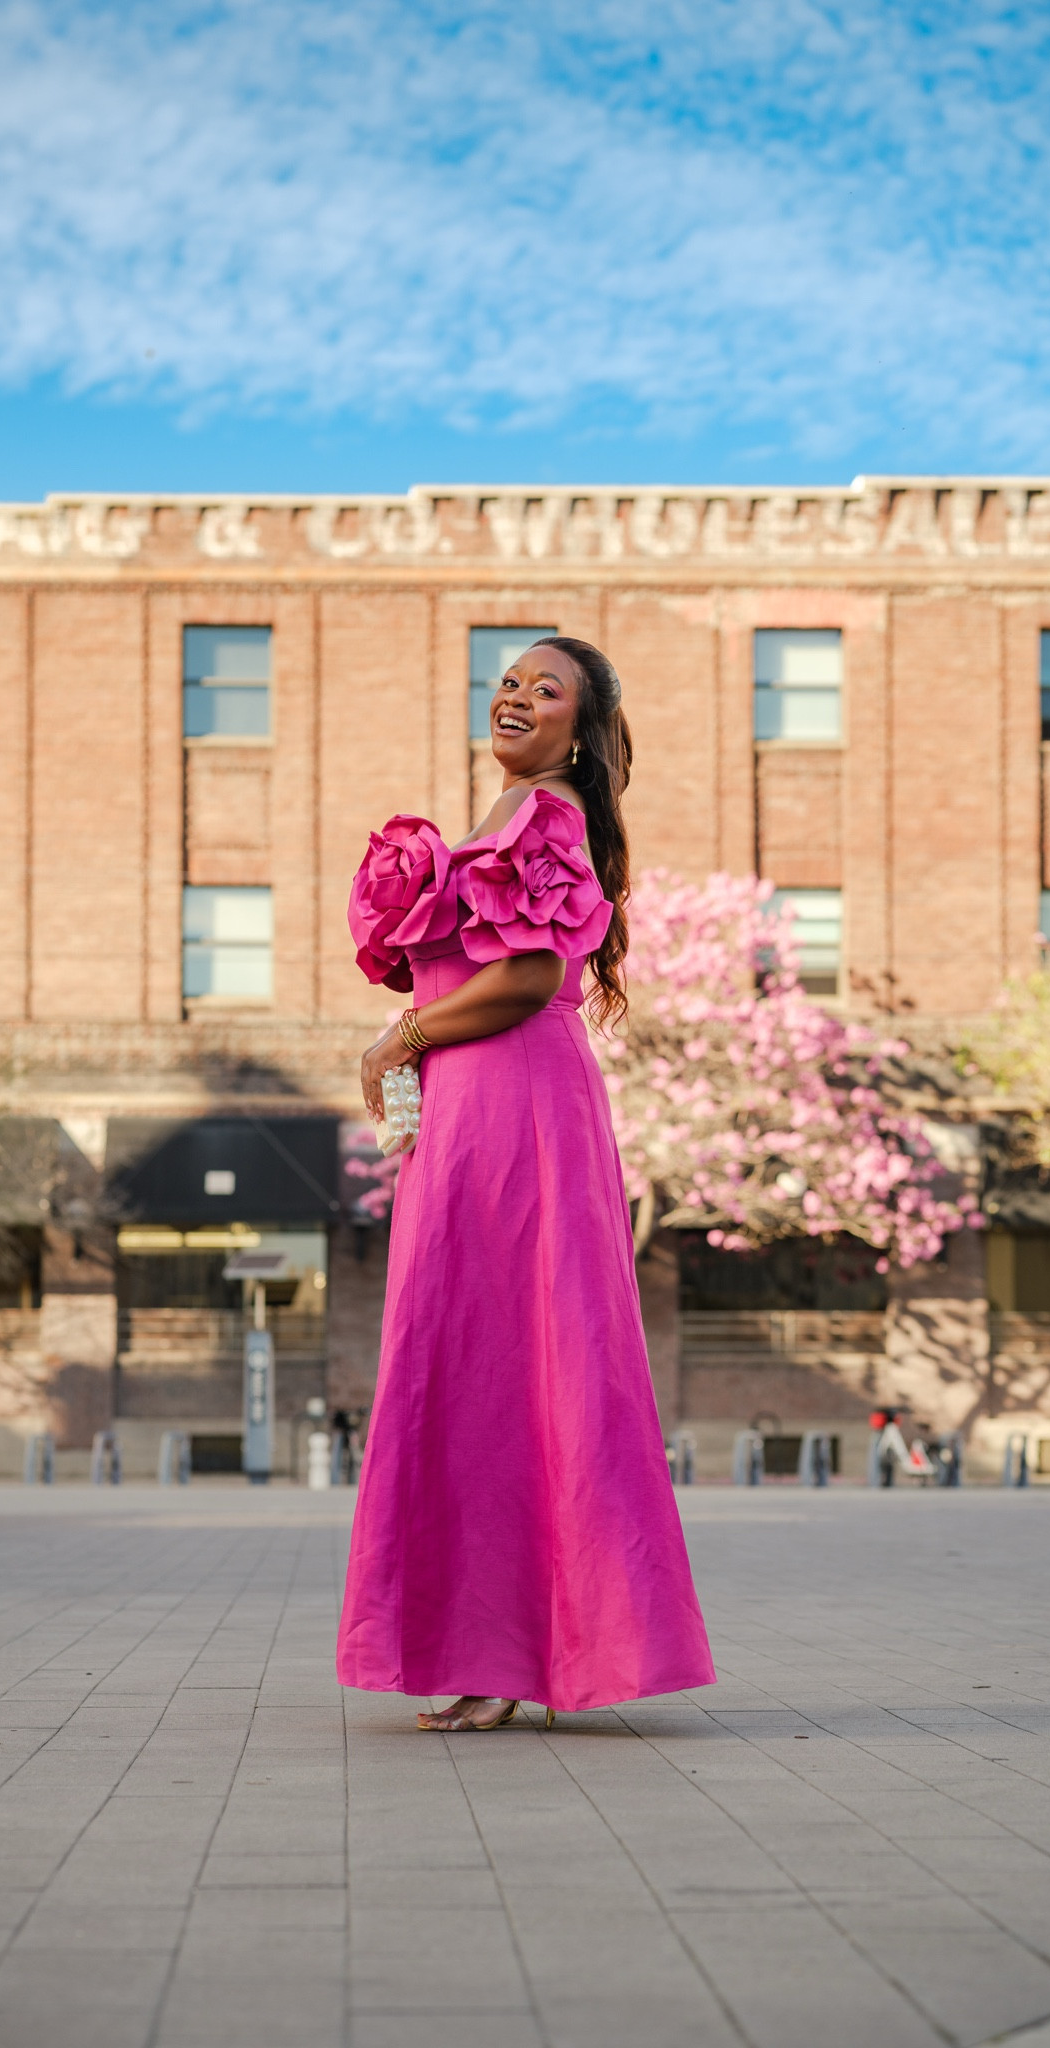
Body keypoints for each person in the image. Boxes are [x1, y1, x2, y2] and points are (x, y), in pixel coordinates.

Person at [338, 636, 715, 1731]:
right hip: (473, 1103)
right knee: (473, 1361)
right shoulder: (505, 819)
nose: (516, 695)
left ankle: (516, 1654)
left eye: (544, 688)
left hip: (513, 1108)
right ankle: (502, 1647)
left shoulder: (549, 819)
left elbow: (532, 976)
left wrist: (397, 1036)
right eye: (507, 680)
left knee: (508, 1362)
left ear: (578, 732)